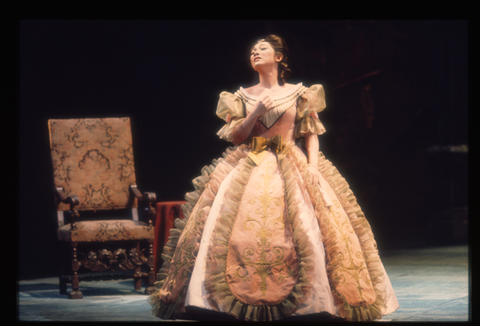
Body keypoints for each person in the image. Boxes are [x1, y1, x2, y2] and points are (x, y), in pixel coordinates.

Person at [148, 34, 399, 322]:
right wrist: (256, 111)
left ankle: (314, 302)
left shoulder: (301, 93)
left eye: (262, 48)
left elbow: (311, 136)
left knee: (305, 227)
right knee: (230, 228)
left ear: (278, 58)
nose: (255, 52)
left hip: (292, 163)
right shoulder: (240, 96)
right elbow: (237, 138)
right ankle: (220, 299)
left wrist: (313, 167)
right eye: (252, 50)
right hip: (248, 164)